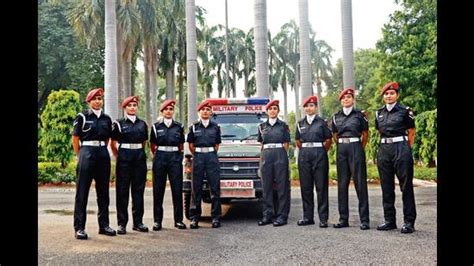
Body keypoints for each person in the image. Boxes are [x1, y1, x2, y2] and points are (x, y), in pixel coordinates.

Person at [72, 88, 116, 239]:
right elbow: (75, 139)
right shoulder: (82, 117)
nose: (98, 101)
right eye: (95, 99)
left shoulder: (107, 118)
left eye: (100, 98)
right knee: (82, 192)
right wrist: (81, 155)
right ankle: (79, 228)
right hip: (87, 152)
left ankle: (104, 225)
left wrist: (103, 149)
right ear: (89, 101)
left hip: (102, 153)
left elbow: (108, 139)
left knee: (103, 192)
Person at [375, 81, 417, 234]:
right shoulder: (378, 113)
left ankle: (409, 222)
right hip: (385, 149)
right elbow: (380, 132)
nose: (389, 96)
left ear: (397, 95)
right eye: (386, 94)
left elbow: (411, 131)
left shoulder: (405, 111)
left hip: (401, 148)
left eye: (392, 93)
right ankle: (389, 220)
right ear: (383, 96)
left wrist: (407, 149)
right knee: (386, 187)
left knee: (405, 186)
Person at [331, 88, 370, 230]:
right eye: (343, 98)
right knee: (342, 185)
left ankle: (364, 220)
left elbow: (365, 134)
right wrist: (342, 144)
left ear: (353, 99)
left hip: (356, 148)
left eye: (349, 97)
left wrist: (359, 147)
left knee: (360, 184)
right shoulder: (336, 117)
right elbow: (335, 135)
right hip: (342, 149)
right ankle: (343, 219)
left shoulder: (360, 115)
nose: (346, 100)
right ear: (340, 101)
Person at [110, 96, 149, 235]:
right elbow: (112, 144)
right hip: (124, 157)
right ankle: (122, 224)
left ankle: (138, 222)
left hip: (138, 157)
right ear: (125, 108)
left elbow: (144, 142)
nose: (133, 107)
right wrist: (119, 156)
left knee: (138, 191)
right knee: (122, 191)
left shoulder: (142, 124)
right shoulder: (118, 123)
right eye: (130, 105)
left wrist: (138, 152)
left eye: (134, 105)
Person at [295, 95, 332, 228]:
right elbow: (298, 141)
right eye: (306, 106)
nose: (308, 108)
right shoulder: (300, 124)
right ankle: (307, 217)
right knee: (306, 187)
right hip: (304, 155)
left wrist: (321, 152)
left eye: (311, 106)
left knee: (321, 187)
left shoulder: (322, 122)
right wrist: (307, 150)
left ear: (315, 107)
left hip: (319, 155)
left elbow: (328, 140)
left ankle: (323, 219)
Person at [150, 99, 187, 231]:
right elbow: (152, 144)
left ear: (173, 111)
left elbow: (181, 144)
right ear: (162, 111)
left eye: (171, 109)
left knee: (177, 190)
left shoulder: (179, 126)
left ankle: (178, 220)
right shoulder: (156, 126)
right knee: (158, 190)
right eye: (166, 109)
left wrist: (178, 157)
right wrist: (157, 156)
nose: (168, 111)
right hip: (160, 158)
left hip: (174, 159)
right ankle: (157, 221)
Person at [187, 100, 222, 229]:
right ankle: (194, 218)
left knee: (214, 188)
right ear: (199, 112)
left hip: (212, 157)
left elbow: (217, 145)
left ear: (211, 112)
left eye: (208, 110)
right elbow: (191, 145)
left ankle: (216, 218)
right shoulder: (194, 127)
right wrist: (198, 154)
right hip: (198, 157)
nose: (205, 112)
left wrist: (210, 153)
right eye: (203, 110)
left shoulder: (215, 127)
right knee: (196, 188)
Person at [257, 99, 291, 227]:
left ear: (278, 111)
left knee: (282, 187)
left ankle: (282, 216)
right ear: (267, 111)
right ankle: (267, 215)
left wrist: (281, 156)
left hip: (279, 155)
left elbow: (286, 143)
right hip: (266, 156)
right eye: (270, 109)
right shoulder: (261, 127)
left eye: (275, 109)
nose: (272, 111)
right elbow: (261, 144)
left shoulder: (283, 126)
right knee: (266, 187)